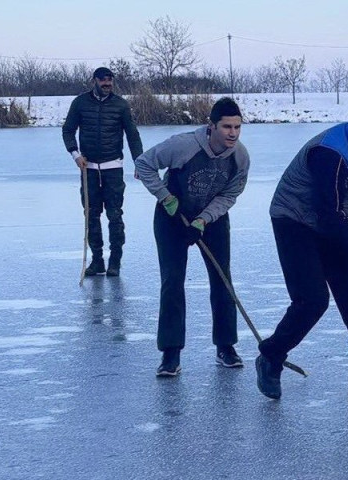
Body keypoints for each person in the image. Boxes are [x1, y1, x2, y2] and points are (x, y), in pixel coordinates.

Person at [255, 104, 348, 400]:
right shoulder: (329, 153)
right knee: (312, 300)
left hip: (330, 221)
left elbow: (347, 202)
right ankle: (271, 356)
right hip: (294, 221)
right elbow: (326, 213)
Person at [134, 97, 249, 377]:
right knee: (173, 282)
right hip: (172, 218)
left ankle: (226, 347)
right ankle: (170, 353)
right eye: (226, 127)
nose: (232, 133)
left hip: (212, 220)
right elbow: (144, 163)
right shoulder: (182, 145)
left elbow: (230, 193)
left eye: (237, 127)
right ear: (211, 126)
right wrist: (166, 198)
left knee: (222, 280)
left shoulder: (240, 156)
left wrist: (202, 220)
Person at [62, 66, 144, 277]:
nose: (107, 84)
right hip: (88, 168)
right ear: (94, 81)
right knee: (91, 215)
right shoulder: (80, 103)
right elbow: (68, 130)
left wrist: (139, 162)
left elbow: (132, 135)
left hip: (113, 168)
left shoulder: (121, 105)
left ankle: (115, 261)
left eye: (110, 80)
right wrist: (75, 155)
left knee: (115, 215)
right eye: (103, 80)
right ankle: (97, 260)